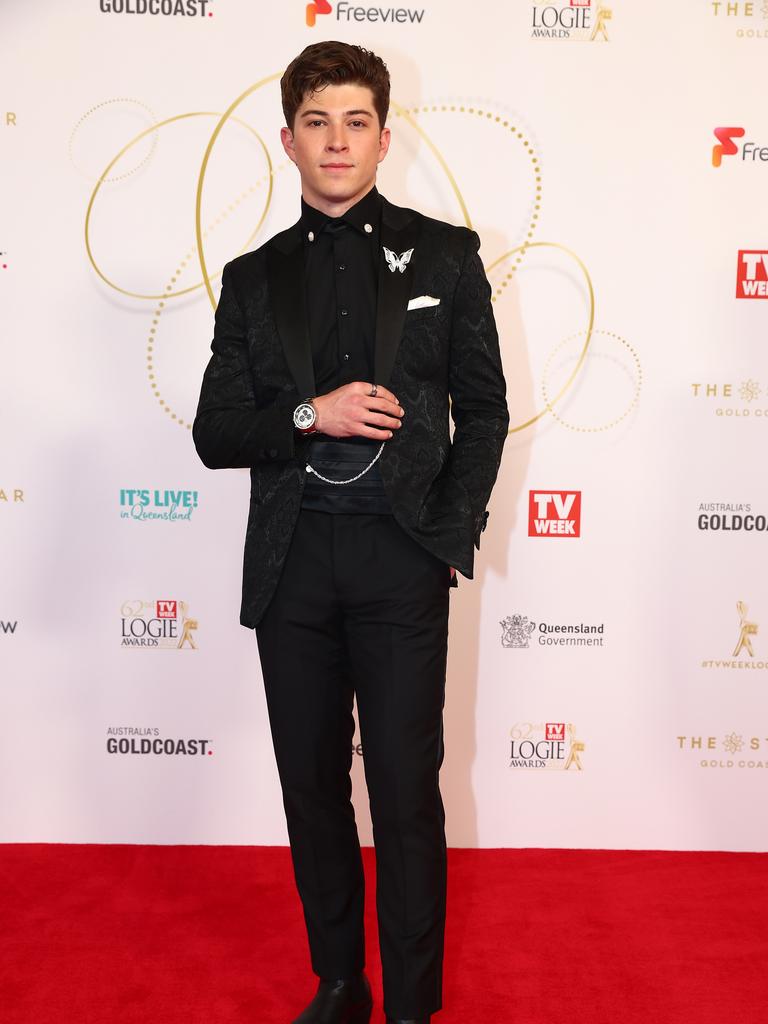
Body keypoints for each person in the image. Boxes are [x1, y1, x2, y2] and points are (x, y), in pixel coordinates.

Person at [193, 40, 508, 1024]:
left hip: (398, 560)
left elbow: (486, 410)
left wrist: (445, 533)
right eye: (317, 122)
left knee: (410, 795)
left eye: (356, 120)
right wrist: (305, 415)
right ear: (288, 140)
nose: (337, 140)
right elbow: (214, 432)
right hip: (293, 570)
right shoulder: (251, 279)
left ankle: (414, 1004)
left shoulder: (446, 255)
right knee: (313, 788)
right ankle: (340, 982)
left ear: (384, 133)